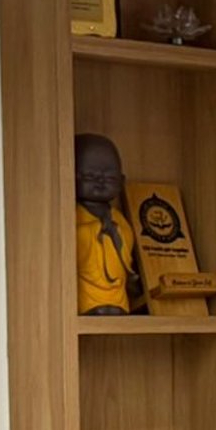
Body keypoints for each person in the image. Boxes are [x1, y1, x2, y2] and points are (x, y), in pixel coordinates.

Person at [75, 133, 142, 316]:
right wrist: (95, 230)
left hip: (116, 288)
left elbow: (127, 237)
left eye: (109, 178)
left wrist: (114, 231)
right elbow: (75, 244)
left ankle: (118, 305)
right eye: (90, 176)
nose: (100, 182)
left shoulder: (118, 218)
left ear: (121, 181)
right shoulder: (73, 215)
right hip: (88, 288)